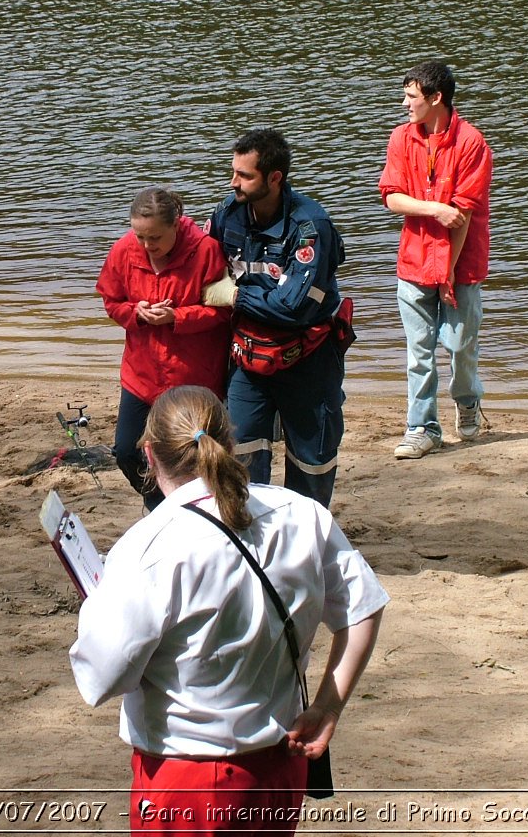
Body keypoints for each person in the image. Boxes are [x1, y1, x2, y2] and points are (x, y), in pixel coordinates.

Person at [70, 385, 387, 835]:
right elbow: (363, 609)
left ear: (149, 455)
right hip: (280, 766)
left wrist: (95, 609)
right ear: (230, 442)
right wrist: (328, 707)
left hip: (188, 779)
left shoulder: (146, 547)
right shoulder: (303, 513)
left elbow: (101, 678)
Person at [202, 128, 349, 507]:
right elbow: (201, 265)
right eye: (233, 171)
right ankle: (249, 536)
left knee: (312, 461)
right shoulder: (227, 213)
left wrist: (235, 295)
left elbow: (292, 308)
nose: (233, 182)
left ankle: (306, 538)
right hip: (248, 358)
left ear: (275, 178)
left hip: (308, 359)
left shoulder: (310, 227)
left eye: (244, 175)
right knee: (238, 454)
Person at [378, 61, 493, 460]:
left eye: (411, 96)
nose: (405, 103)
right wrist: (432, 209)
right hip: (413, 261)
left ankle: (466, 398)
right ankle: (422, 428)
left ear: (436, 98)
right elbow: (392, 197)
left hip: (461, 263)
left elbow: (461, 215)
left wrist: (447, 272)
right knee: (419, 352)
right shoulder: (400, 138)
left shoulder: (472, 143)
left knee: (460, 345)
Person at [96, 186, 232, 510]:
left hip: (193, 375)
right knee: (127, 450)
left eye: (154, 238)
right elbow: (111, 301)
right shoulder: (123, 250)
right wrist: (136, 313)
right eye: (139, 237)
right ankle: (163, 509)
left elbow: (224, 310)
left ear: (176, 224)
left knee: (194, 455)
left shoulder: (206, 251)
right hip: (142, 375)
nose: (146, 246)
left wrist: (177, 317)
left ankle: (207, 510)